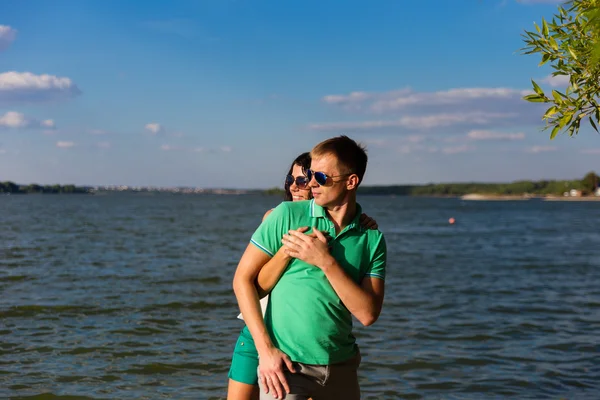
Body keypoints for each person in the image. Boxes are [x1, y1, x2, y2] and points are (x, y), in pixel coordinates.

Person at [232, 136, 386, 400]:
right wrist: (266, 351)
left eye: (322, 177)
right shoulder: (285, 215)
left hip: (342, 369)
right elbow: (242, 281)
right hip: (287, 368)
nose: (311, 182)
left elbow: (368, 314)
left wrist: (325, 261)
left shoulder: (372, 238)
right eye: (312, 174)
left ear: (351, 182)